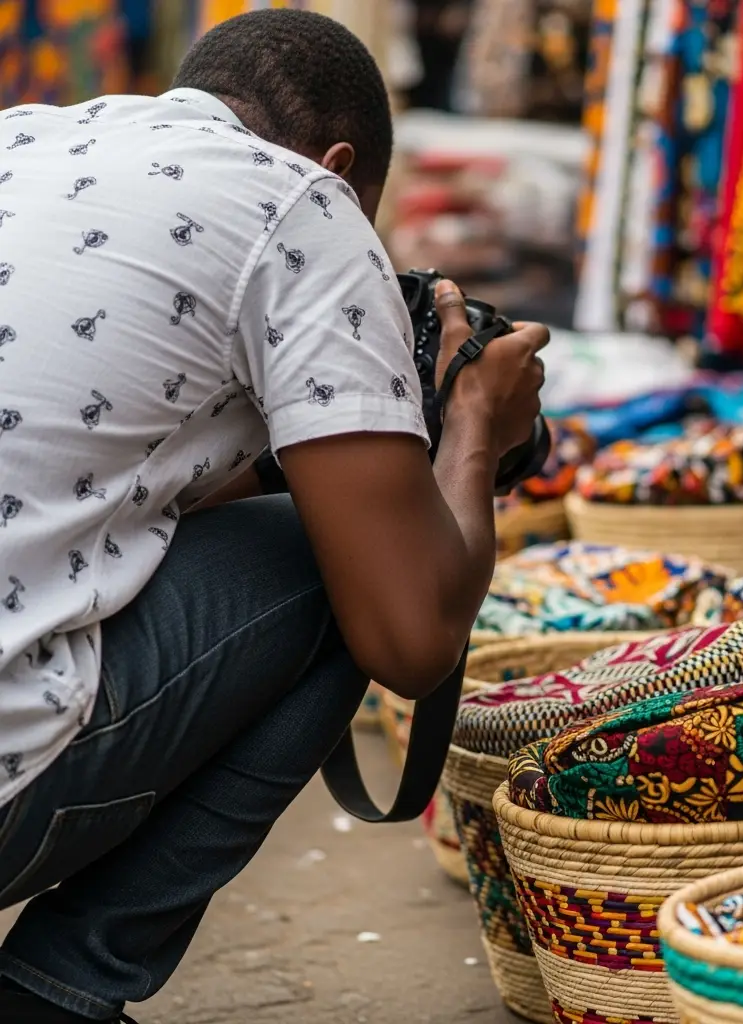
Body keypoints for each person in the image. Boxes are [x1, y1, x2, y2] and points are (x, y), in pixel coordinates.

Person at [0, 9, 547, 1023]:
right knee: (341, 562)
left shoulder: (27, 137)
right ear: (341, 168)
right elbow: (411, 639)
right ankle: (60, 988)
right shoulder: (301, 201)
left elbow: (96, 466)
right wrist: (472, 422)